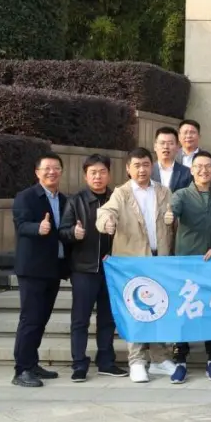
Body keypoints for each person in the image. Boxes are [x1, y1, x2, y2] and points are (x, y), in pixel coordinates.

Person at [96, 147, 177, 384]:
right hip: (132, 263)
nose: (142, 170)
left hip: (160, 260)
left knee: (160, 309)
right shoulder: (121, 193)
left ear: (152, 166)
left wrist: (173, 219)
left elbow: (175, 220)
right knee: (137, 311)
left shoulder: (163, 191)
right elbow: (105, 212)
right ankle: (137, 361)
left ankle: (160, 358)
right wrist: (107, 222)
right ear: (128, 169)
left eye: (145, 165)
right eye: (137, 165)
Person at [168, 151, 211, 383]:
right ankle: (180, 361)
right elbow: (173, 210)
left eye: (208, 166)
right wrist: (170, 215)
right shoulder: (182, 195)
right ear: (192, 170)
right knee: (183, 311)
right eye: (199, 166)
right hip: (186, 263)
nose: (204, 170)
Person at [60, 154, 124, 382]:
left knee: (107, 319)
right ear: (85, 176)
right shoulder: (75, 201)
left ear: (109, 174)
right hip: (84, 269)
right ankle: (79, 364)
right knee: (80, 319)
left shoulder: (117, 198)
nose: (98, 177)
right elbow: (62, 231)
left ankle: (106, 361)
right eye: (93, 173)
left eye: (102, 172)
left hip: (111, 269)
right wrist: (73, 233)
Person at [11, 152, 69, 387]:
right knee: (30, 319)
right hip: (32, 269)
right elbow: (21, 225)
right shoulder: (25, 197)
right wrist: (38, 227)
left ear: (61, 172)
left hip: (52, 268)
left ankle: (32, 363)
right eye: (47, 168)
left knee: (42, 319)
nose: (52, 172)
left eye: (56, 168)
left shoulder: (63, 199)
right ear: (37, 173)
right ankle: (21, 370)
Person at [151, 126, 192, 192]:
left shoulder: (187, 173)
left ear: (177, 147)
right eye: (162, 143)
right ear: (155, 146)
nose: (166, 147)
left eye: (170, 143)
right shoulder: (148, 171)